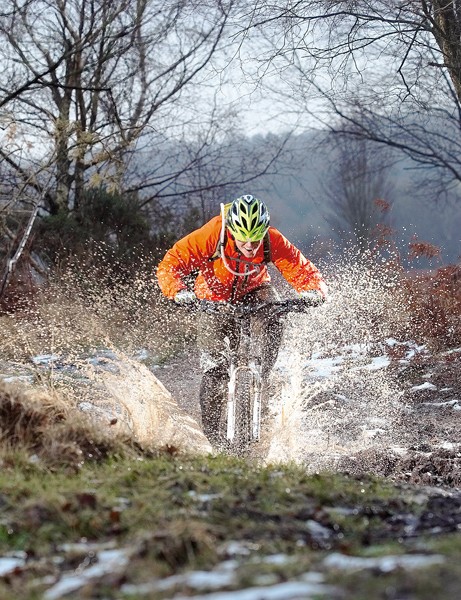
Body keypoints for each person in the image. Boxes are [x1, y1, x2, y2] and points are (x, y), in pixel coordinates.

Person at [156, 194, 327, 445]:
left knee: (275, 314)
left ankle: (262, 374)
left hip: (255, 291)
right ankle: (215, 440)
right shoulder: (213, 233)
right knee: (214, 372)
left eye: (255, 239)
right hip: (212, 298)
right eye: (243, 238)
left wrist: (314, 291)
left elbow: (300, 267)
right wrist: (179, 291)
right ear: (231, 229)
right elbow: (172, 263)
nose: (249, 245)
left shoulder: (272, 239)